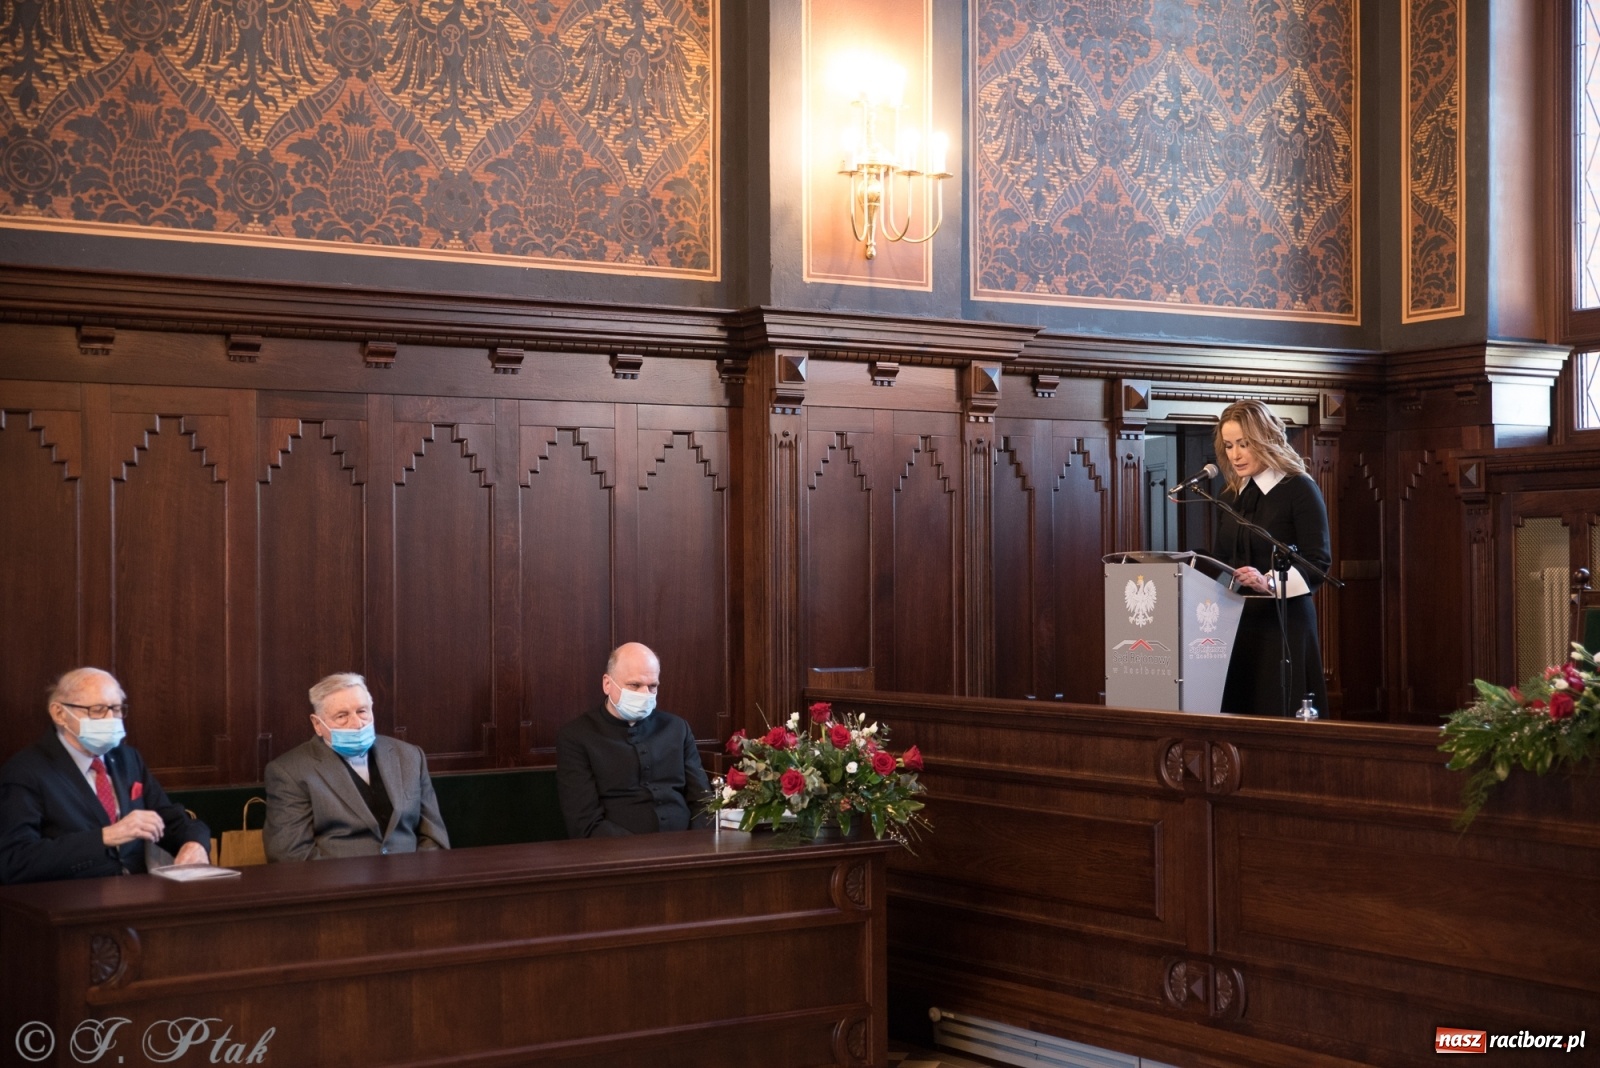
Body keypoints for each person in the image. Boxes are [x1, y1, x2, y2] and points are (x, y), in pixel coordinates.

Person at [0, 668, 211, 884]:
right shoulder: (25, 771)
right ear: (60, 714)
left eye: (116, 709)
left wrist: (195, 843)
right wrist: (105, 837)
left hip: (137, 893)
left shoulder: (127, 758)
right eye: (98, 710)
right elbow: (14, 861)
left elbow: (168, 820)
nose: (111, 719)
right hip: (70, 898)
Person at [1212, 400, 1332, 717]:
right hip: (1238, 623)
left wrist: (1267, 582)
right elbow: (1220, 559)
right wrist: (1222, 585)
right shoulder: (1229, 495)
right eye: (1229, 446)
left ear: (1265, 439)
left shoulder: (1299, 488)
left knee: (1278, 710)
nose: (1235, 455)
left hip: (1284, 624)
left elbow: (1318, 562)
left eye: (1244, 444)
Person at [263, 673, 449, 861]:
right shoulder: (289, 772)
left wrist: (418, 874)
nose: (357, 724)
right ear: (317, 724)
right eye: (342, 716)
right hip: (340, 879)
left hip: (412, 875)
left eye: (362, 711)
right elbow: (290, 855)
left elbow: (434, 836)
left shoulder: (409, 756)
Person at [556, 642, 711, 838]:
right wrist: (640, 850)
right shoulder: (576, 736)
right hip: (617, 851)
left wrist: (696, 843)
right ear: (607, 684)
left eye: (652, 686)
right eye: (634, 685)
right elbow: (584, 821)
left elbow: (704, 801)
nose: (645, 694)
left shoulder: (677, 728)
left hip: (687, 846)